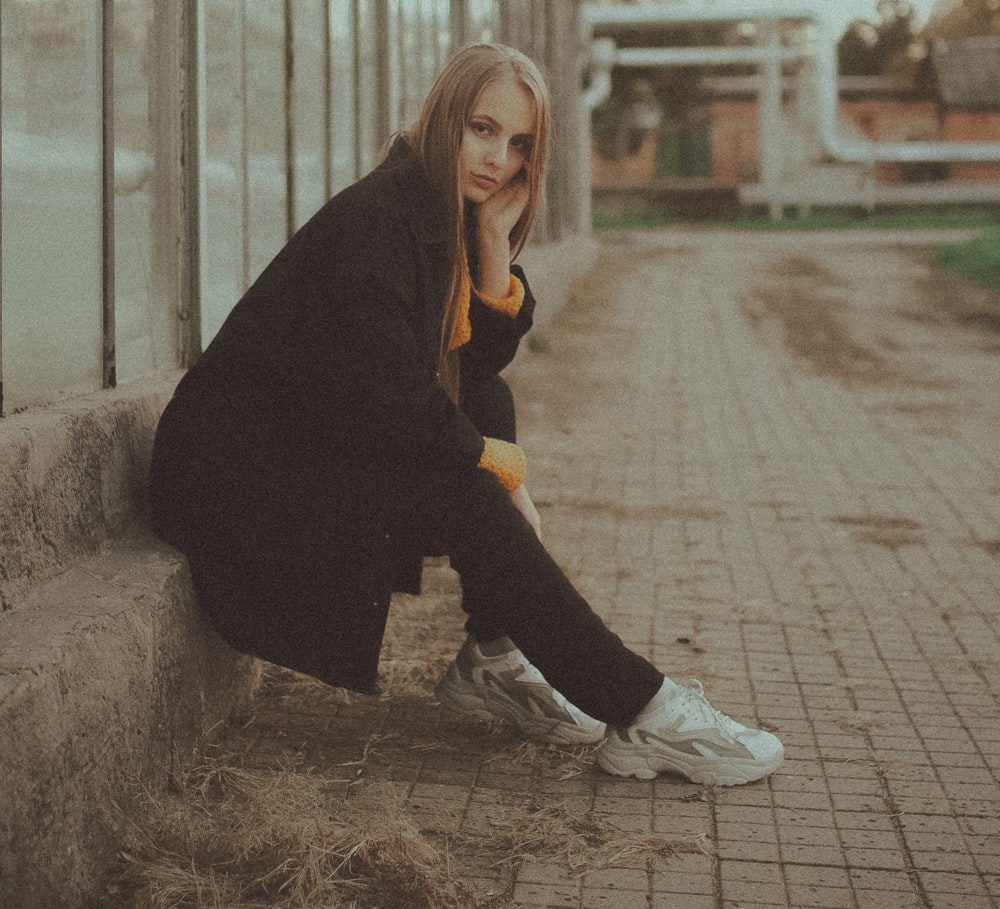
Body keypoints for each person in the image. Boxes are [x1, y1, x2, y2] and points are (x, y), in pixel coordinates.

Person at [148, 42, 783, 786]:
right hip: (229, 481)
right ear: (445, 115)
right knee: (468, 491)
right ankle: (644, 709)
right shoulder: (373, 225)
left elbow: (470, 370)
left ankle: (493, 656)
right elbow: (397, 409)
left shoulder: (433, 210)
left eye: (518, 145)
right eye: (482, 129)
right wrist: (502, 473)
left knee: (488, 405)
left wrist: (489, 248)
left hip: (294, 450)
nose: (497, 160)